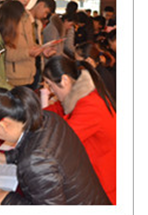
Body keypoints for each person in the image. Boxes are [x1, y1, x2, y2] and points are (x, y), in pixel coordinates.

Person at [0, 86, 110, 205]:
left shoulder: (35, 162)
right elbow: (31, 143)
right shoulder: (47, 117)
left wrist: (7, 199)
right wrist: (7, 157)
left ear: (3, 125)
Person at [42, 55, 116, 203]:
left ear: (64, 80)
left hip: (105, 185)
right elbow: (55, 110)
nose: (50, 91)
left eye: (50, 85)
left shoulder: (90, 106)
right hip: (97, 174)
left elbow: (60, 142)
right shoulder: (81, 96)